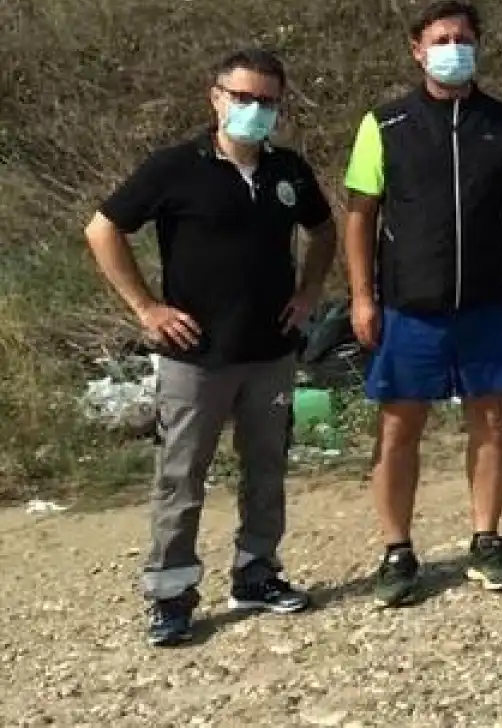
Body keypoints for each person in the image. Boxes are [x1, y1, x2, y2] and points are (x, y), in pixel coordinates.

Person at [86, 49, 336, 647]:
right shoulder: (175, 168)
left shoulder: (288, 171)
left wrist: (308, 294)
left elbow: (324, 231)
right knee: (181, 479)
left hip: (271, 352)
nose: (255, 110)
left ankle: (257, 574)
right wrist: (146, 309)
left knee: (266, 471)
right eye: (244, 98)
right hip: (195, 358)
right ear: (216, 97)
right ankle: (171, 595)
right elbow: (103, 229)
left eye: (268, 101)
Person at [344, 0, 502, 608]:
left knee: (490, 422)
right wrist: (361, 296)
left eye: (463, 37)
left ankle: (486, 539)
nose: (452, 47)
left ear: (478, 45)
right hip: (410, 305)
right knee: (399, 427)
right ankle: (397, 550)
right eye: (440, 38)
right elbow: (360, 216)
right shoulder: (383, 125)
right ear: (417, 48)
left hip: (488, 302)